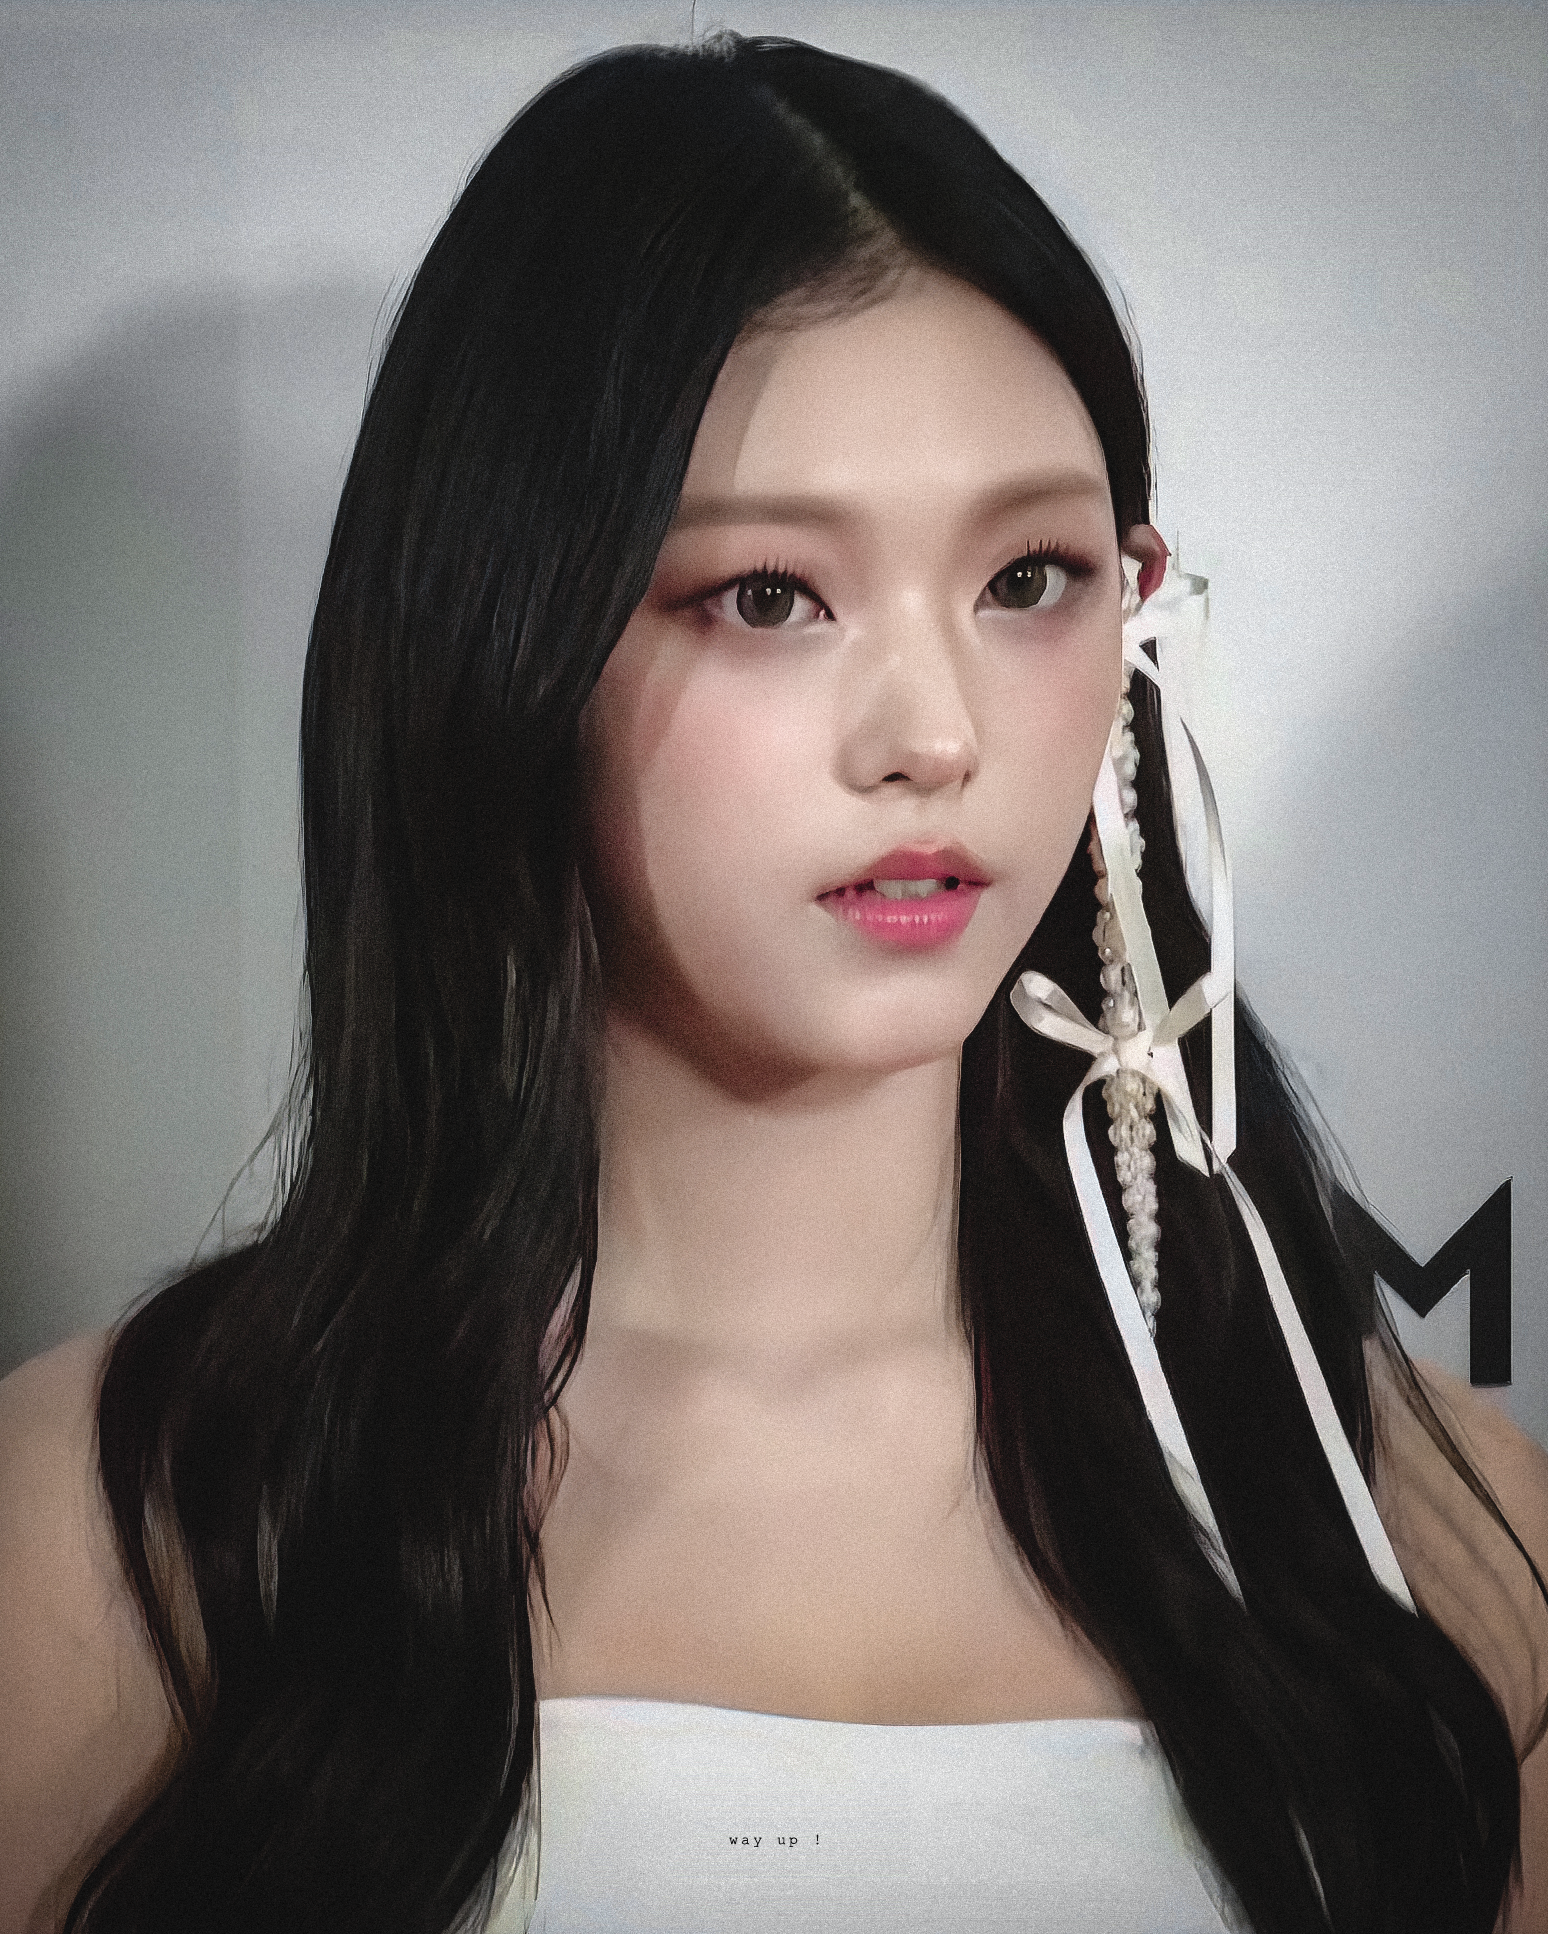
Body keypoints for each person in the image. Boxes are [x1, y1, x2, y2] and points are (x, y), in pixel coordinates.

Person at [1, 31, 1544, 1934]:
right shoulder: (111, 1530)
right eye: (768, 596)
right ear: (510, 643)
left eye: (1030, 578)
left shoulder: (1422, 1529)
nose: (934, 735)